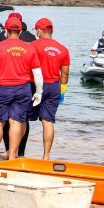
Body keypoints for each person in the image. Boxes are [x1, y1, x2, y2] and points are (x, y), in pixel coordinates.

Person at [0, 16, 44, 163]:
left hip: (3, 89)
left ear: (6, 31)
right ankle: (13, 156)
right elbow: (37, 73)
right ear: (20, 31)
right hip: (23, 89)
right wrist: (39, 92)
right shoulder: (30, 48)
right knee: (16, 122)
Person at [0, 12, 35, 156]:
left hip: (5, 82)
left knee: (3, 119)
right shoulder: (31, 38)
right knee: (22, 119)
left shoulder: (0, 38)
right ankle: (19, 151)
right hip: (27, 82)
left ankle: (8, 150)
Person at [30, 18, 70, 160]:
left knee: (21, 118)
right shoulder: (63, 49)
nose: (36, 33)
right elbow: (64, 73)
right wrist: (62, 91)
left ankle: (15, 152)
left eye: (36, 30)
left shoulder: (33, 45)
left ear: (40, 30)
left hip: (36, 85)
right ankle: (46, 156)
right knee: (48, 121)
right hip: (54, 86)